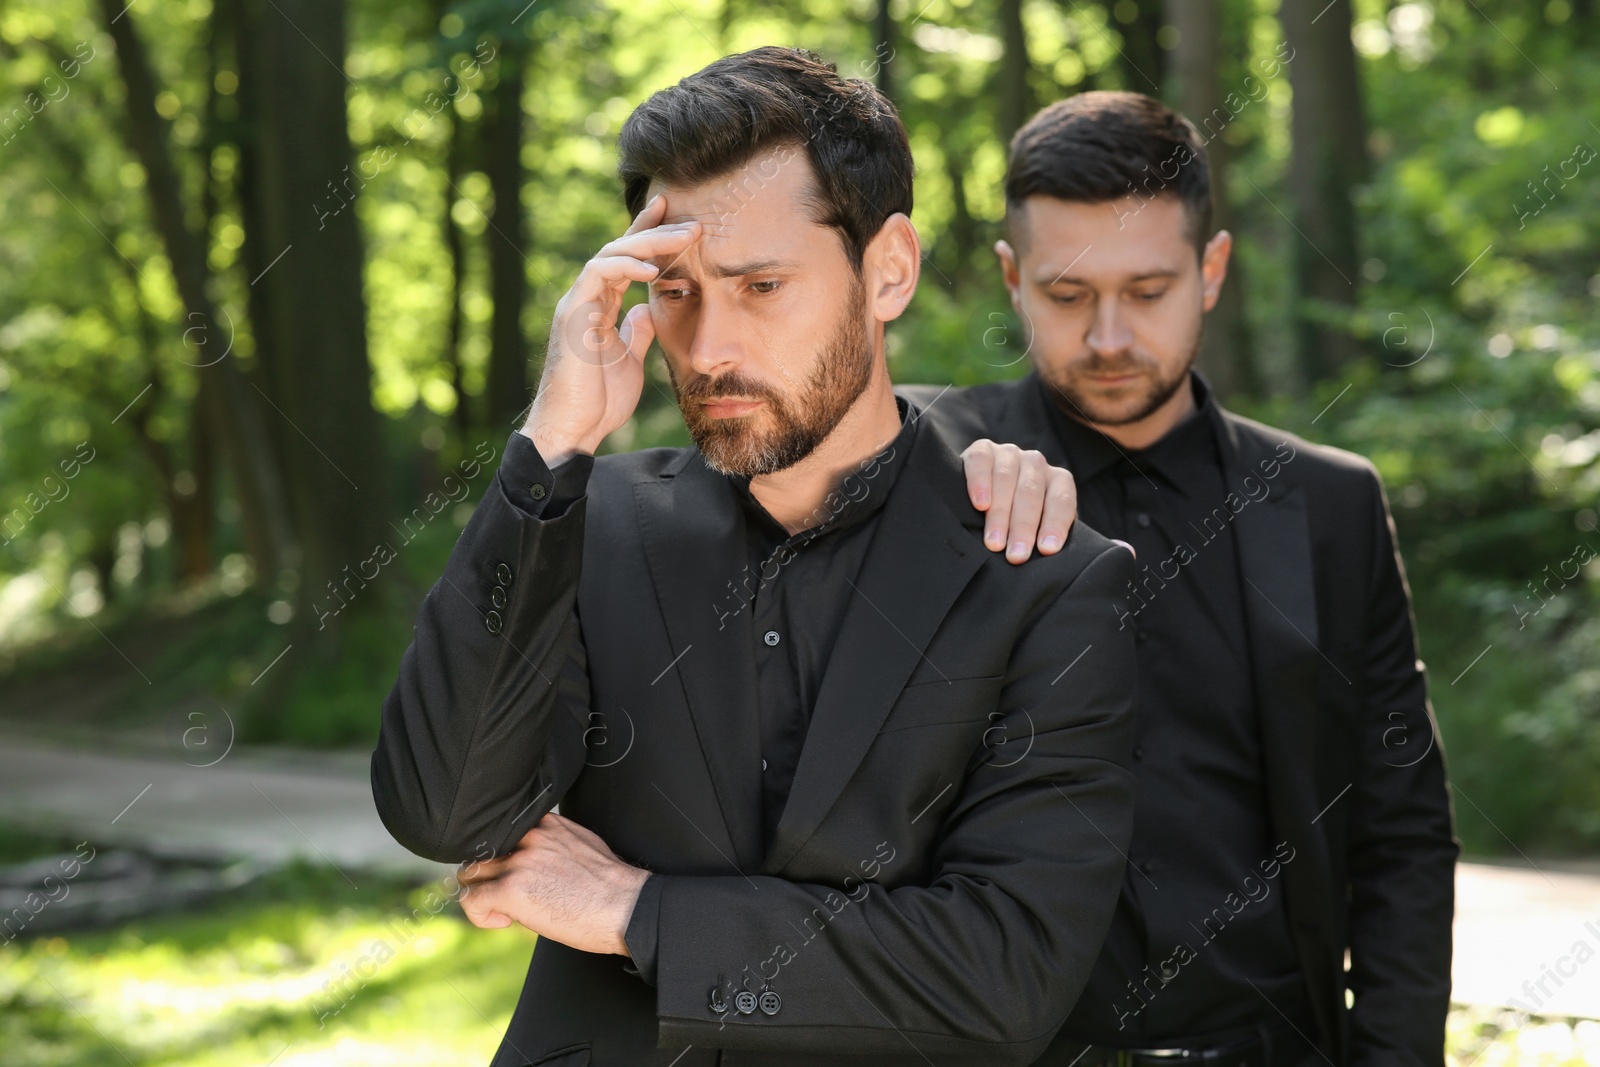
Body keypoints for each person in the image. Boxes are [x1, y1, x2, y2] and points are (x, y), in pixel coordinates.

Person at [372, 48, 1140, 1067]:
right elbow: (442, 807)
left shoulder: (1045, 574)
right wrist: (551, 444)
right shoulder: (583, 522)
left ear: (889, 269)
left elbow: (1001, 975)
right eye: (678, 289)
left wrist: (636, 910)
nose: (710, 344)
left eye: (761, 283)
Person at [899, 91, 1458, 1067]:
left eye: (1147, 290)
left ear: (1212, 270)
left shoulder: (1330, 505)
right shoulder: (921, 465)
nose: (1109, 336)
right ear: (1010, 278)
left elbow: (1399, 833)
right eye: (1067, 294)